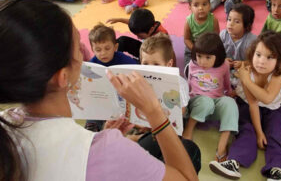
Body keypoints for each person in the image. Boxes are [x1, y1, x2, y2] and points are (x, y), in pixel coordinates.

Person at [0, 0, 198, 181]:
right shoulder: (107, 149)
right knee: (190, 151)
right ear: (62, 77)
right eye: (79, 47)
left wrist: (100, 138)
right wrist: (154, 111)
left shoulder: (6, 125)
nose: (85, 55)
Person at [210, 31, 281, 181]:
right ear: (252, 54)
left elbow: (268, 98)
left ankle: (278, 169)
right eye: (258, 55)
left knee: (275, 133)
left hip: (275, 109)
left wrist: (246, 80)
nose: (261, 61)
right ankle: (234, 162)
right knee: (245, 129)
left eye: (269, 57)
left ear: (279, 60)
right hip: (250, 106)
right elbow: (252, 103)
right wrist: (258, 133)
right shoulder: (247, 71)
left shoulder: (279, 74)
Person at [137, 33, 202, 173]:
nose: (150, 68)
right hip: (148, 121)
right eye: (145, 63)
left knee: (170, 149)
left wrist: (158, 123)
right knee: (140, 152)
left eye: (156, 64)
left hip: (170, 124)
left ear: (169, 64)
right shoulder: (141, 81)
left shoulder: (178, 83)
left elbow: (181, 111)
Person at [183, 32, 239, 163]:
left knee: (230, 102)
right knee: (205, 102)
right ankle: (189, 130)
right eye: (199, 56)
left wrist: (231, 93)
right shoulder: (192, 64)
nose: (202, 61)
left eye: (208, 57)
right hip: (197, 103)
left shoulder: (224, 66)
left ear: (217, 56)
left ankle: (222, 147)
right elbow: (188, 84)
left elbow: (226, 84)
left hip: (215, 104)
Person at [85, 23, 138, 132]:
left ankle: (132, 126)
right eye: (98, 50)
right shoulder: (92, 65)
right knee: (93, 108)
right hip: (101, 98)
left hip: (122, 98)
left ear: (115, 47)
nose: (103, 53)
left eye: (107, 48)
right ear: (92, 49)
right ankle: (92, 124)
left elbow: (138, 73)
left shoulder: (125, 60)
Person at [184, 0, 220, 66]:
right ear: (190, 7)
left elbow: (216, 37)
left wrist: (210, 48)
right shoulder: (188, 21)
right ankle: (189, 70)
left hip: (209, 45)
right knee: (188, 59)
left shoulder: (214, 20)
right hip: (194, 45)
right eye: (196, 5)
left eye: (204, 4)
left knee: (218, 57)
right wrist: (194, 49)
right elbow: (186, 39)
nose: (200, 8)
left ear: (209, 5)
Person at [220, 3, 257, 70]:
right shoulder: (223, 35)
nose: (231, 24)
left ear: (246, 26)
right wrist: (223, 60)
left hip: (244, 69)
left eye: (237, 22)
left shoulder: (251, 40)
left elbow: (257, 60)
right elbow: (215, 53)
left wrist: (244, 63)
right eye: (229, 19)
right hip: (225, 67)